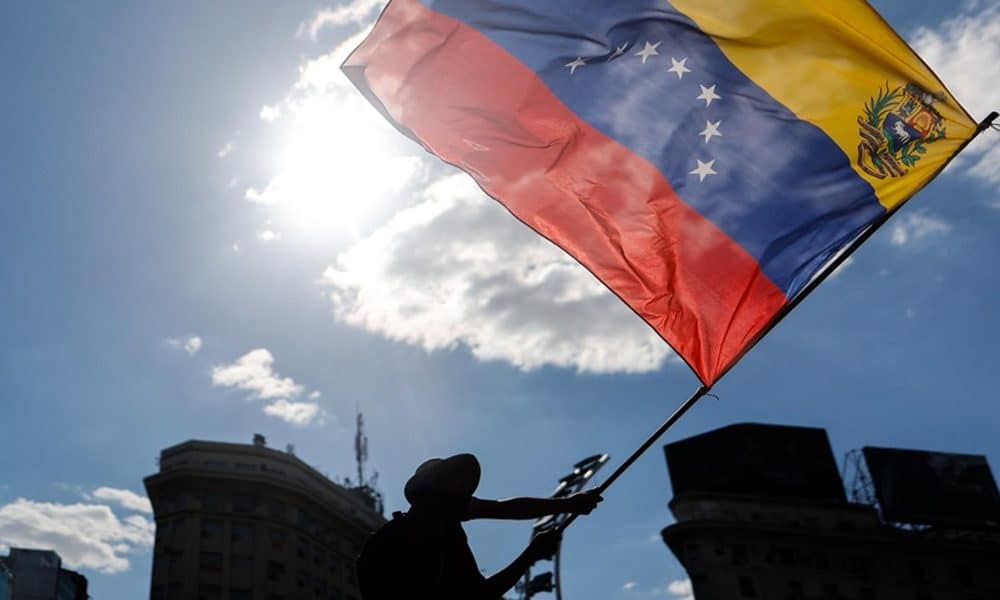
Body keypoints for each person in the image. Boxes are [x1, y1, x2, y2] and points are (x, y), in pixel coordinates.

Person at [356, 453, 602, 599]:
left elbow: (505, 508)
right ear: (435, 492)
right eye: (456, 487)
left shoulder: (440, 527)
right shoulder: (417, 540)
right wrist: (531, 555)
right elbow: (480, 596)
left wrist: (568, 504)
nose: (464, 494)